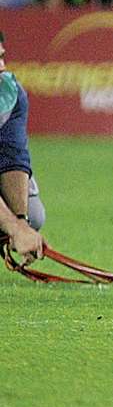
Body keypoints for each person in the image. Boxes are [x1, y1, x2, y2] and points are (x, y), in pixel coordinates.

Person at [1, 31, 47, 266]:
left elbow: (12, 157)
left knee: (34, 215)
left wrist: (20, 222)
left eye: (1, 57)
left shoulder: (11, 93)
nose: (1, 67)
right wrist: (14, 228)